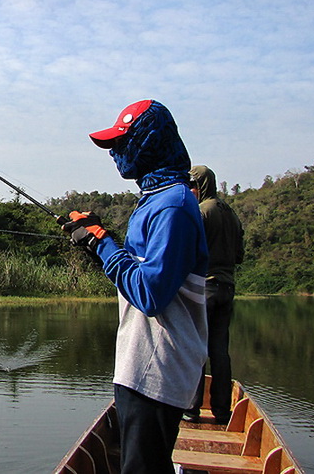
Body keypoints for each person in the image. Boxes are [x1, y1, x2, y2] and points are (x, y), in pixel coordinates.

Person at [62, 99, 209, 474]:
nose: (115, 153)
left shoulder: (172, 206)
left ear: (149, 142)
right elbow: (138, 271)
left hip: (156, 369)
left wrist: (103, 242)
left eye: (122, 143)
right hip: (142, 364)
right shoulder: (156, 200)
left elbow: (150, 294)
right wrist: (97, 241)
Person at [183, 165, 245, 425]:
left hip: (205, 287)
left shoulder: (201, 212)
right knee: (220, 351)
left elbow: (189, 251)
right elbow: (239, 256)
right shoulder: (231, 214)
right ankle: (222, 411)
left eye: (191, 186)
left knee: (196, 347)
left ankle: (191, 408)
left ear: (199, 185)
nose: (190, 191)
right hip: (227, 288)